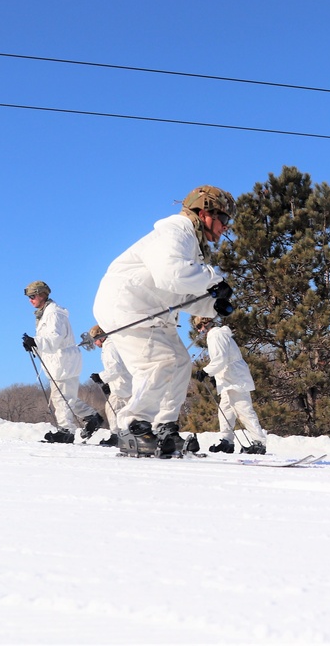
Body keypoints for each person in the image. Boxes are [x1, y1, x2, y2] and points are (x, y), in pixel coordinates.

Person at [93, 184, 235, 457]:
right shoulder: (176, 231)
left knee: (180, 362)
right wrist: (214, 280)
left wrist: (212, 304)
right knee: (160, 362)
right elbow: (173, 274)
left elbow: (179, 289)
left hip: (150, 307)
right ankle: (134, 426)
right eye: (224, 219)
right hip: (127, 304)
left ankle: (163, 426)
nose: (225, 227)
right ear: (205, 212)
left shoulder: (190, 244)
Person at [22, 280, 103, 444]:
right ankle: (91, 416)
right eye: (29, 297)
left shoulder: (54, 314)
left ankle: (67, 431)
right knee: (65, 396)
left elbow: (55, 338)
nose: (30, 300)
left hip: (64, 361)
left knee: (61, 398)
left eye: (33, 296)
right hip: (59, 362)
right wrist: (33, 345)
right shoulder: (46, 314)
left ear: (42, 295)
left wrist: (36, 341)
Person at [193, 316, 268, 454]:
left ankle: (259, 443)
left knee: (243, 409)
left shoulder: (216, 335)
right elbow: (223, 359)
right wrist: (216, 377)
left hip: (235, 378)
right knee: (225, 411)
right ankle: (227, 441)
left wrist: (205, 371)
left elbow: (220, 359)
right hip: (228, 378)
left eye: (199, 327)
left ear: (206, 324)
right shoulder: (217, 335)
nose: (199, 331)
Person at [87, 324, 131, 447]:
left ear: (101, 337)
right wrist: (108, 383)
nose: (95, 343)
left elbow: (116, 368)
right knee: (119, 409)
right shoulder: (109, 346)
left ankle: (117, 436)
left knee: (113, 409)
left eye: (95, 339)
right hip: (121, 384)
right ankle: (122, 434)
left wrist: (101, 377)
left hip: (123, 385)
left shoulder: (110, 347)